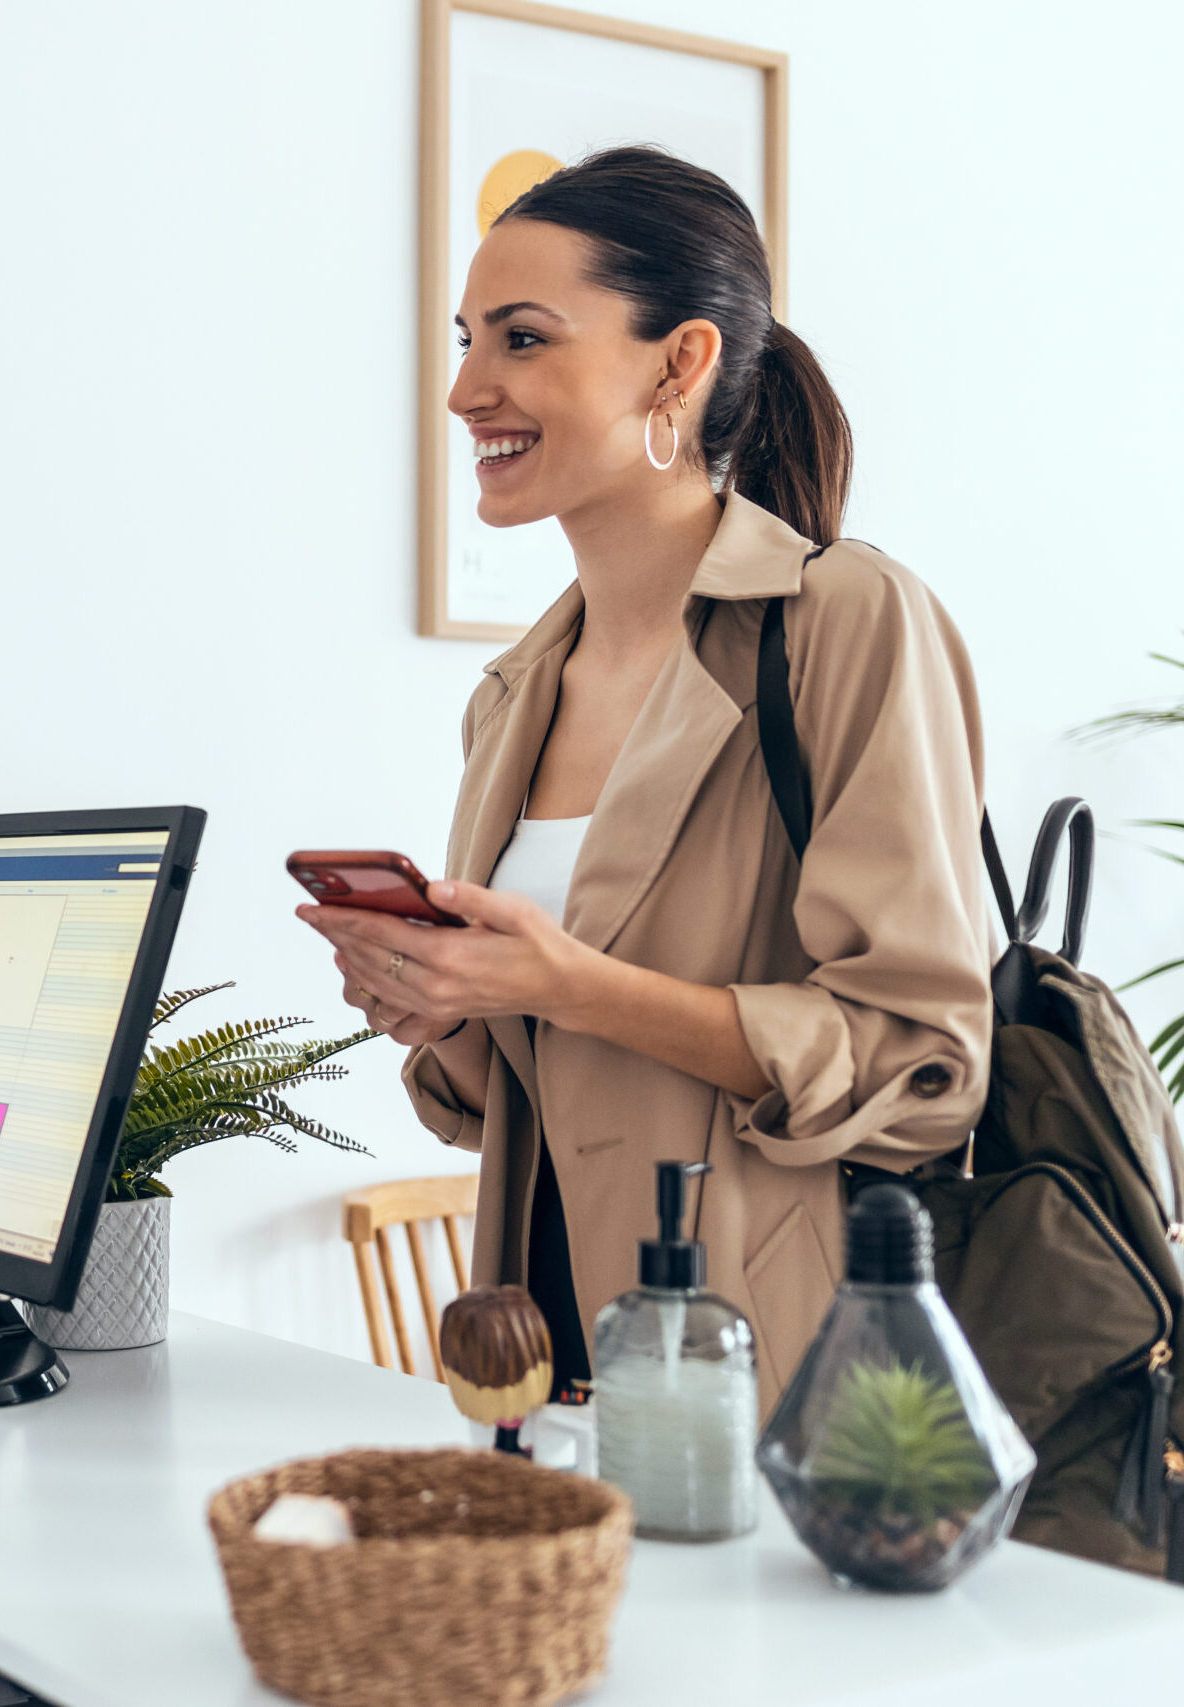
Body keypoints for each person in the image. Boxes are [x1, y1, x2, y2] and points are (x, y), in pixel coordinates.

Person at [299, 147, 993, 1415]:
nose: (464, 389)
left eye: (519, 338)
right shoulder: (512, 694)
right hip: (547, 1353)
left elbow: (918, 1061)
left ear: (676, 365)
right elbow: (506, 1091)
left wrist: (572, 985)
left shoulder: (843, 619)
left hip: (775, 1360)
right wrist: (446, 1006)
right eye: (464, 340)